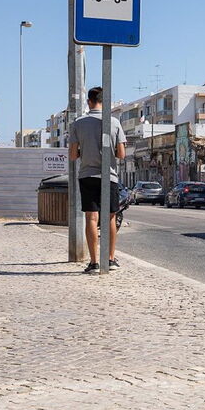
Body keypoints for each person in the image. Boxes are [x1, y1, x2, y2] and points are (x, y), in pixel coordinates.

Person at [68, 86, 127, 274]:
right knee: (110, 217)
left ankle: (93, 262)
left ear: (89, 101)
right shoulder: (115, 123)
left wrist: (83, 151)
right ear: (104, 101)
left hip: (87, 175)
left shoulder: (78, 123)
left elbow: (71, 155)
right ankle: (110, 259)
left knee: (91, 217)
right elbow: (122, 154)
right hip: (109, 176)